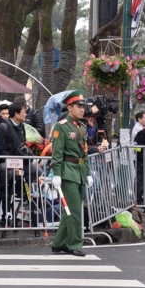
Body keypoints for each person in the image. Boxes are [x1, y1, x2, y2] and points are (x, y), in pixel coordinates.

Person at [50, 90, 92, 257]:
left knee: (72, 211)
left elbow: (85, 153)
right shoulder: (60, 127)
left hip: (80, 172)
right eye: (78, 107)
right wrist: (57, 174)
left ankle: (59, 243)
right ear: (69, 107)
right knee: (74, 211)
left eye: (83, 107)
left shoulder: (81, 128)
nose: (82, 110)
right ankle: (74, 244)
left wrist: (88, 173)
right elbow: (57, 154)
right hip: (67, 173)